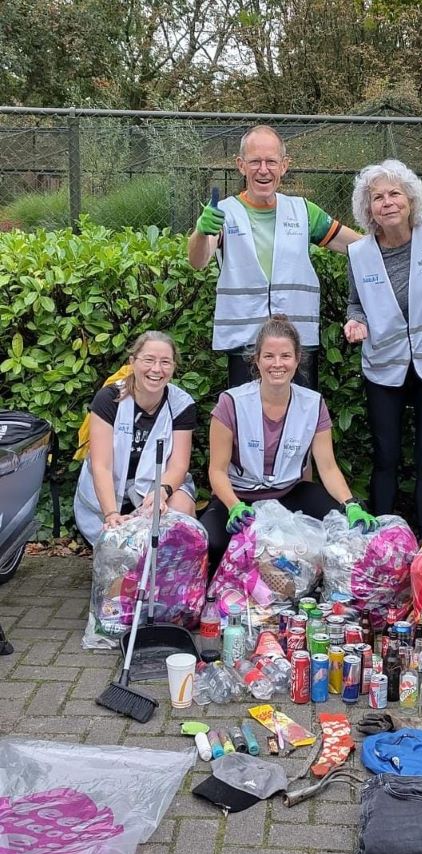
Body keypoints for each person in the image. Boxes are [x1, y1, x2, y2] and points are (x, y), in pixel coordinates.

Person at [344, 159, 422, 541]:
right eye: (377, 197)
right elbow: (355, 302)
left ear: (411, 199)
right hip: (384, 365)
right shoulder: (360, 253)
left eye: (395, 193)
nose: (387, 202)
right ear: (368, 210)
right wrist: (354, 321)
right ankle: (383, 542)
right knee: (387, 457)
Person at [187, 124, 361, 390]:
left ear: (284, 165)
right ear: (241, 165)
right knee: (246, 423)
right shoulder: (223, 213)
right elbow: (198, 261)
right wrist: (201, 231)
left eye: (271, 161)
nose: (263, 169)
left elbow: (358, 246)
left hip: (296, 345)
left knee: (300, 421)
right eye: (255, 161)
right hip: (245, 344)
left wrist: (406, 231)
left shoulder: (304, 211)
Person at [201, 314, 377, 575]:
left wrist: (351, 504)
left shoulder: (314, 404)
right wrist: (233, 506)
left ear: (297, 360)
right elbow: (216, 470)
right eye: (269, 356)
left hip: (289, 493)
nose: (277, 364)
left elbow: (327, 467)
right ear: (256, 359)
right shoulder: (231, 402)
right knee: (212, 542)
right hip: (239, 497)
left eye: (285, 356)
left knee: (339, 529)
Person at [74, 331, 197, 546]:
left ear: (174, 367)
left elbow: (178, 465)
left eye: (165, 362)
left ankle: (175, 572)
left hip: (154, 490)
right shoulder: (108, 399)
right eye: (148, 360)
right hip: (109, 496)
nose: (156, 369)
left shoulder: (182, 404)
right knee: (120, 554)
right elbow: (101, 465)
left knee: (181, 509)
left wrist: (162, 491)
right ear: (133, 361)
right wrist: (111, 513)